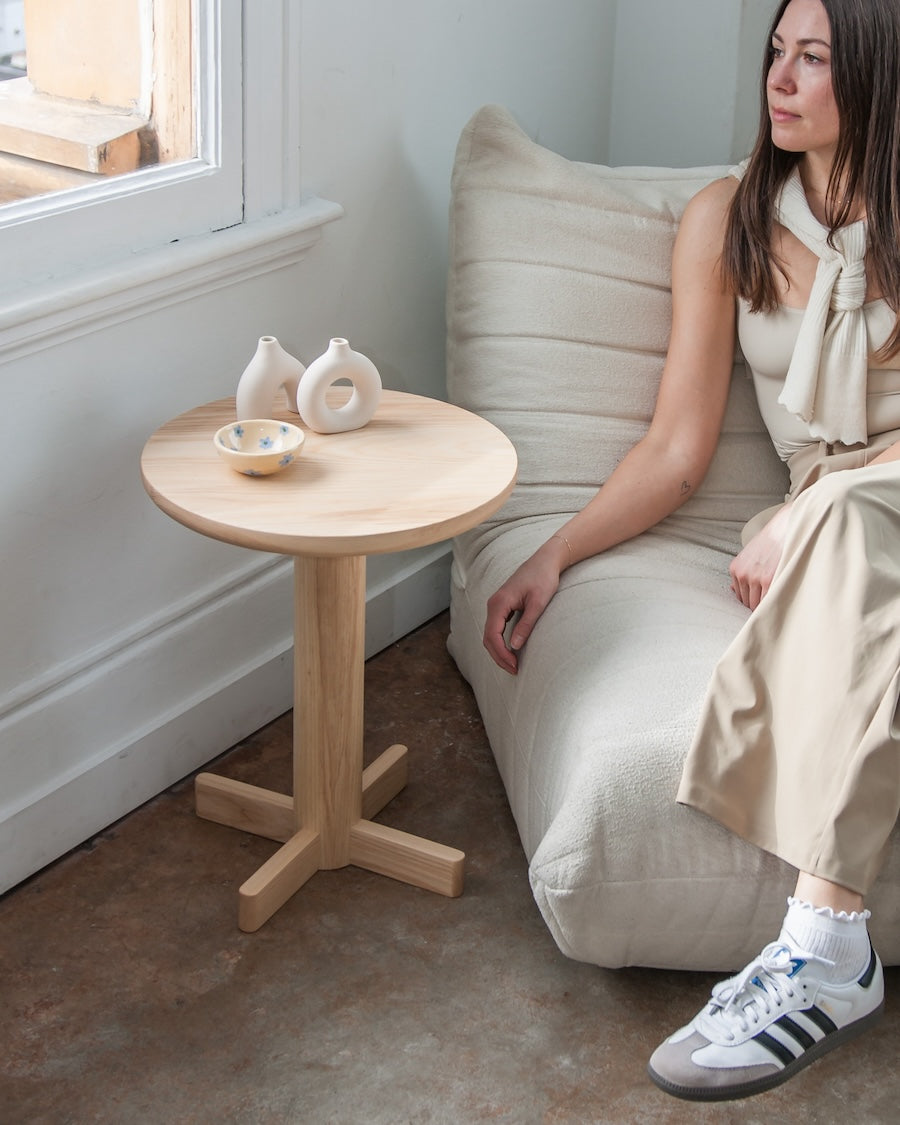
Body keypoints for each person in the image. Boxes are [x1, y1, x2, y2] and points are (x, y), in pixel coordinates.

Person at [482, 0, 900, 1102]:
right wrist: (554, 553)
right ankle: (830, 955)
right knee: (849, 539)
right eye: (776, 52)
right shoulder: (729, 218)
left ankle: (823, 948)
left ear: (873, 74)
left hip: (862, 504)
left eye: (815, 58)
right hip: (839, 520)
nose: (781, 78)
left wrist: (821, 505)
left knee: (846, 523)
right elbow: (676, 448)